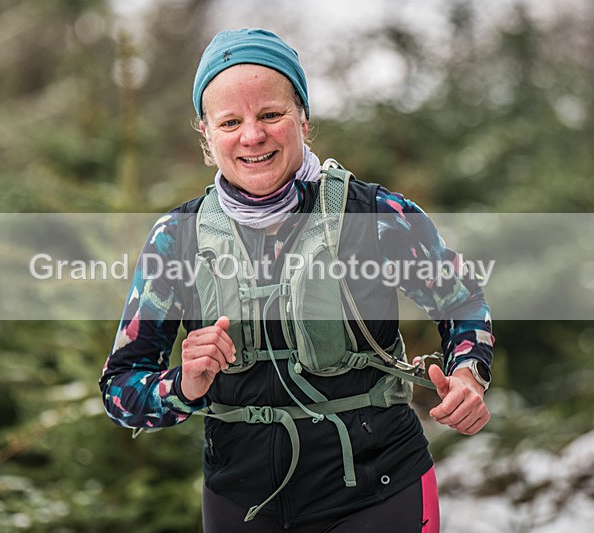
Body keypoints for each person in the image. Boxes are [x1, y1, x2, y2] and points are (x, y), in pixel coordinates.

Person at [100, 28, 494, 533]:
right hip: (241, 505)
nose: (252, 135)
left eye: (270, 114)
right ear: (205, 133)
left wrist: (467, 375)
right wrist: (185, 384)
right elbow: (120, 389)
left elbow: (461, 302)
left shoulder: (374, 213)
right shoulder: (176, 238)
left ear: (303, 119)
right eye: (230, 121)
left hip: (379, 491)